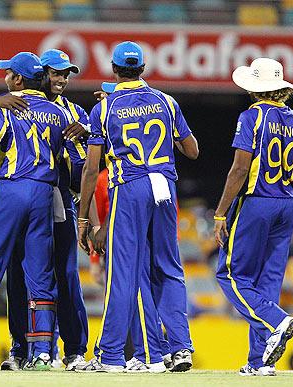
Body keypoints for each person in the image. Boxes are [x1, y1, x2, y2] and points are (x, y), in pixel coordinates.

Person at [76, 41, 198, 372]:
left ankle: (111, 356)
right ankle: (182, 347)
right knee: (170, 268)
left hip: (128, 186)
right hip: (165, 186)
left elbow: (91, 169)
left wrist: (84, 218)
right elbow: (192, 150)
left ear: (114, 70)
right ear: (143, 69)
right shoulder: (167, 101)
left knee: (122, 273)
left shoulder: (104, 108)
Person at [0, 52, 72, 371]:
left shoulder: (7, 105)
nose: (5, 77)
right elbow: (68, 156)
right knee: (40, 273)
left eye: (8, 73)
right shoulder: (58, 112)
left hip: (9, 189)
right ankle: (43, 351)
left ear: (17, 80)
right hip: (44, 193)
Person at [214, 57, 293, 376]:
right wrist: (288, 208)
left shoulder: (252, 116)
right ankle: (260, 362)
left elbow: (240, 168)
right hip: (285, 203)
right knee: (268, 281)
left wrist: (220, 213)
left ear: (256, 88)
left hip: (257, 200)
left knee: (230, 275)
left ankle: (277, 321)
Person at [1, 48, 89, 371]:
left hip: (60, 199)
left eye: (66, 74)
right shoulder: (19, 105)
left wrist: (91, 132)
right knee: (19, 273)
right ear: (42, 75)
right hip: (26, 196)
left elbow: (88, 164)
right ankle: (23, 347)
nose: (62, 79)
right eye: (56, 73)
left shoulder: (77, 114)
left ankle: (74, 349)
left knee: (66, 274)